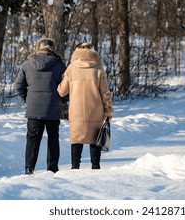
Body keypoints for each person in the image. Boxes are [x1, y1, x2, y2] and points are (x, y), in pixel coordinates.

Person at [14, 38, 67, 175]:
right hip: (53, 107)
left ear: (37, 48)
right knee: (53, 137)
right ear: (52, 48)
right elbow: (66, 87)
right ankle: (52, 168)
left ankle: (29, 168)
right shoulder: (60, 64)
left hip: (34, 108)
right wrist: (62, 100)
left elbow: (18, 86)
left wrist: (28, 98)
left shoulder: (27, 64)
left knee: (32, 138)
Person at [57, 43, 113, 170]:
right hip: (95, 111)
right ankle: (95, 166)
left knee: (77, 139)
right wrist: (108, 111)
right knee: (95, 139)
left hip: (76, 112)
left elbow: (62, 91)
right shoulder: (98, 68)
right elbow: (105, 93)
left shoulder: (71, 68)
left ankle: (75, 167)